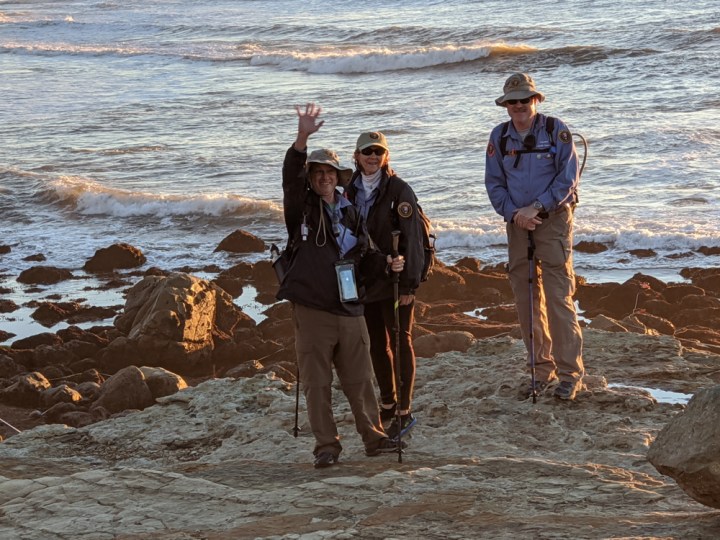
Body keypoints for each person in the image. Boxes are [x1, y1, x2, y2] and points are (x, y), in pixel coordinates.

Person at [277, 103, 404, 468]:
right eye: (317, 173)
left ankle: (373, 438)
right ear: (310, 177)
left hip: (350, 306)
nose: (324, 178)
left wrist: (388, 263)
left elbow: (365, 254)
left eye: (329, 172)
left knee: (361, 379)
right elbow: (290, 176)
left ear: (339, 175)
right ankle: (327, 447)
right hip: (312, 307)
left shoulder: (350, 211)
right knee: (317, 385)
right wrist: (302, 137)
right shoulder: (300, 208)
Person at [484, 73, 585, 401]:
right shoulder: (498, 138)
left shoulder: (557, 131)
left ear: (535, 101)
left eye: (524, 100)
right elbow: (494, 184)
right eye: (512, 101)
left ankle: (570, 374)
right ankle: (540, 370)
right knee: (527, 300)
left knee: (558, 298)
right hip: (517, 225)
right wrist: (515, 213)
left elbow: (567, 179)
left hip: (553, 221)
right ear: (505, 105)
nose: (518, 106)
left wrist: (536, 208)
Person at [344, 130, 425, 439]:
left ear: (386, 156)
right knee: (377, 343)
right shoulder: (348, 190)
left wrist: (409, 286)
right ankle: (388, 404)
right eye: (367, 151)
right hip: (366, 280)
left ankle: (405, 411)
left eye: (378, 152)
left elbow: (414, 242)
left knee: (401, 339)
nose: (373, 157)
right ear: (357, 156)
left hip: (395, 280)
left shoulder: (400, 190)